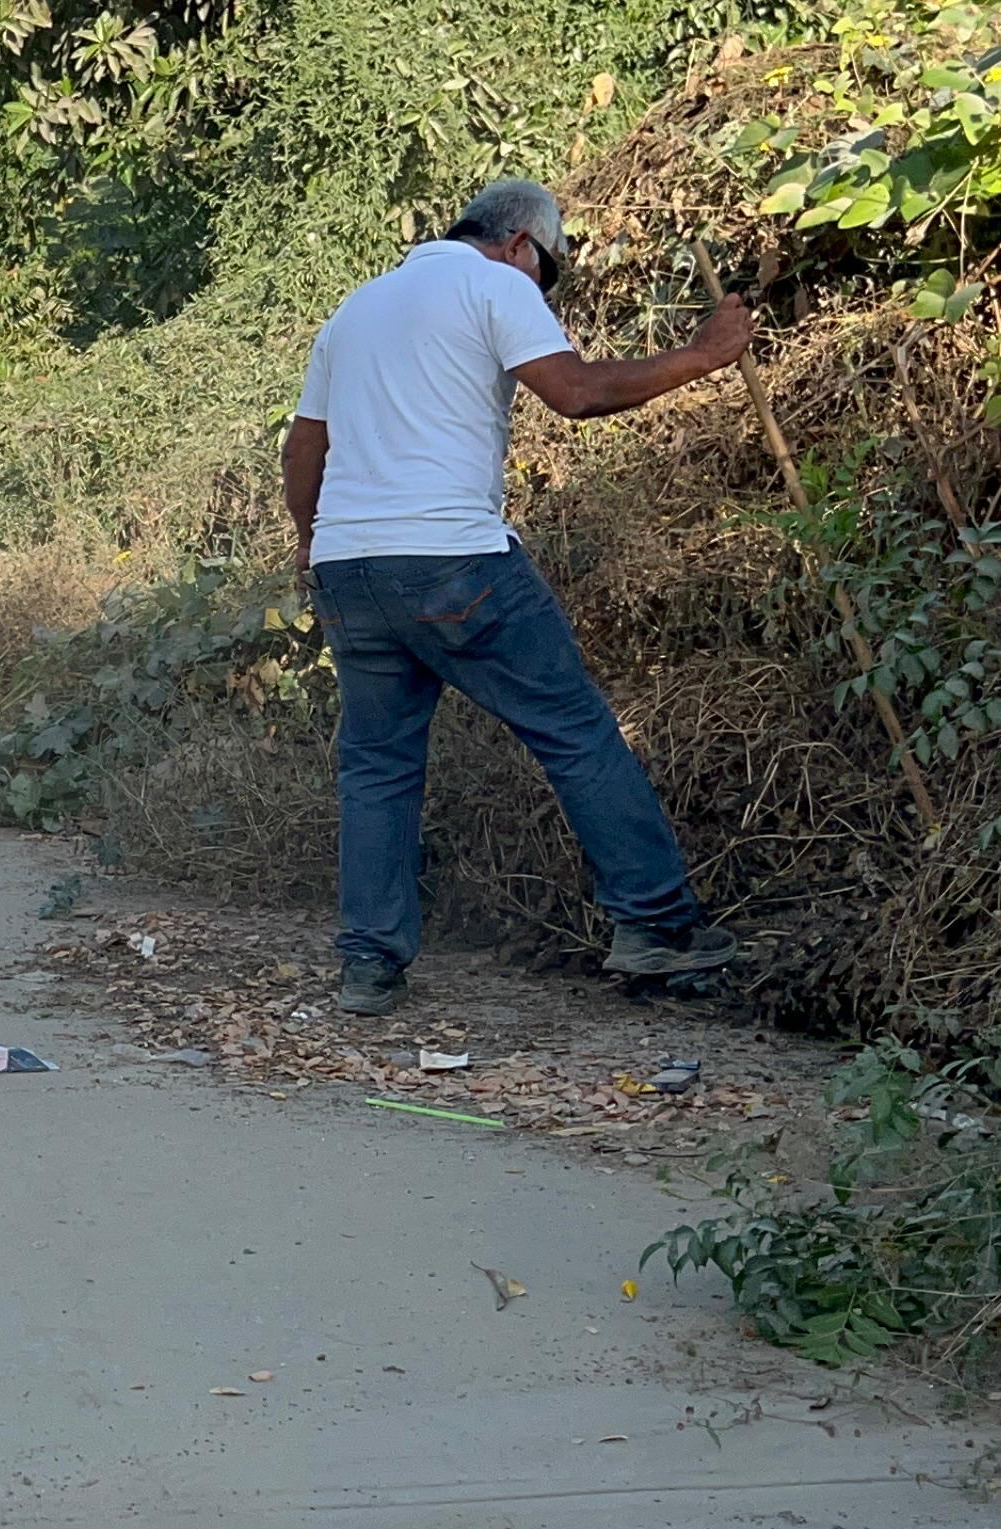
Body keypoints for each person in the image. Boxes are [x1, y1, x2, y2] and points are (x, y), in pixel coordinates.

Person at [284, 179, 752, 1016]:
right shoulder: (497, 282)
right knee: (573, 732)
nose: (543, 291)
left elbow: (305, 445)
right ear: (523, 244)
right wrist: (704, 355)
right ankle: (657, 927)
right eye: (550, 275)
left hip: (349, 567)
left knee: (377, 768)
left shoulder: (355, 311)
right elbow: (575, 394)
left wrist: (311, 541)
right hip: (454, 560)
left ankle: (369, 963)